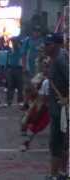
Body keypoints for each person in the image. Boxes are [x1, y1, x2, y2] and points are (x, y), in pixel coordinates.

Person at [44, 33, 69, 180]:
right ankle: (62, 172)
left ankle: (55, 175)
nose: (46, 47)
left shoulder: (60, 60)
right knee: (62, 141)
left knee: (56, 142)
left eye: (49, 44)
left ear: (57, 45)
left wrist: (66, 98)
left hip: (61, 108)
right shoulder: (57, 58)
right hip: (58, 108)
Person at [5, 37, 23, 107]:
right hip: (10, 69)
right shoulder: (10, 50)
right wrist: (6, 69)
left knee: (20, 86)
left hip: (18, 69)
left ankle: (20, 101)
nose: (13, 43)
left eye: (14, 41)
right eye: (12, 42)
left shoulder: (20, 50)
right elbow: (7, 60)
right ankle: (9, 101)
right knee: (10, 86)